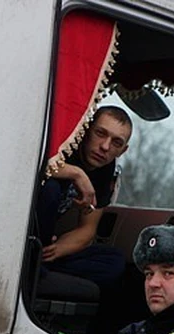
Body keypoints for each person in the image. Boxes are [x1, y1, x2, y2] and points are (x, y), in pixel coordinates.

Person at [38, 106, 130, 291]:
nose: (105, 146)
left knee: (114, 262)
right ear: (85, 129)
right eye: (100, 133)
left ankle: (39, 265)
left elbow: (88, 228)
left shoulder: (106, 168)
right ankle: (34, 266)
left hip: (44, 246)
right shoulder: (64, 144)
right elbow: (32, 162)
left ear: (122, 150)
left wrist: (57, 249)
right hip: (20, 231)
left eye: (116, 143)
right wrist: (77, 174)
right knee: (51, 188)